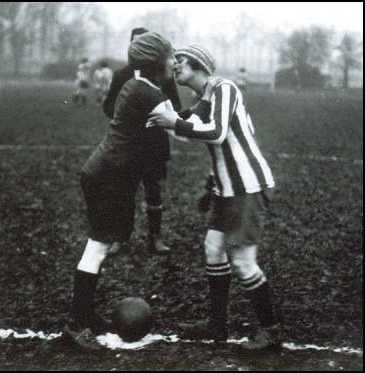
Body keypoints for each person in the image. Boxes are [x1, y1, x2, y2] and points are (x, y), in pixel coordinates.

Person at [148, 45, 281, 350]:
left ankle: (271, 330)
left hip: (247, 186)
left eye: (180, 63)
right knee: (213, 248)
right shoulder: (204, 98)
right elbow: (186, 130)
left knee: (244, 261)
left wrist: (173, 122)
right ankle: (217, 326)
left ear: (198, 65)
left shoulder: (224, 88)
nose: (175, 67)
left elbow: (218, 133)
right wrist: (160, 120)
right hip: (226, 188)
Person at [64, 32, 179, 350]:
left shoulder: (140, 86)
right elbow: (182, 127)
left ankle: (84, 314)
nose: (175, 61)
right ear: (157, 61)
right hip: (107, 177)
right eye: (171, 56)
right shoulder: (147, 92)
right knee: (98, 246)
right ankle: (75, 324)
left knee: (99, 245)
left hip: (106, 173)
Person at [103, 27, 182, 255]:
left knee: (153, 190)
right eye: (137, 44)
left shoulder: (162, 75)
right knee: (124, 191)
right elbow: (108, 105)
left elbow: (175, 106)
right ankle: (120, 239)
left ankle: (155, 238)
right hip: (128, 144)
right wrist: (125, 115)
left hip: (154, 143)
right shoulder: (121, 76)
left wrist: (158, 114)